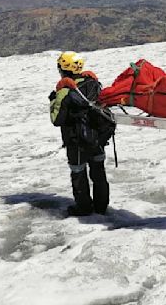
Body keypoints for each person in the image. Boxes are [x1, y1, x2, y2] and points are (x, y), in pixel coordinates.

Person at [49, 51, 110, 216]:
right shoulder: (93, 83)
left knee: (78, 173)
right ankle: (101, 207)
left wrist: (53, 99)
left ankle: (83, 209)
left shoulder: (65, 90)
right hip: (97, 138)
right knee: (99, 173)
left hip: (76, 141)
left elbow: (57, 119)